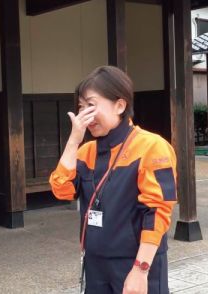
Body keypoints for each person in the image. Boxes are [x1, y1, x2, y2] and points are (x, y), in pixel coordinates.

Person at [49, 66, 177, 294]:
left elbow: (157, 212)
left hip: (135, 262)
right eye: (80, 107)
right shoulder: (85, 151)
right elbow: (62, 189)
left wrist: (140, 270)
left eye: (91, 105)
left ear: (120, 105)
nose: (84, 114)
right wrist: (73, 141)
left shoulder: (152, 146)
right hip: (96, 264)